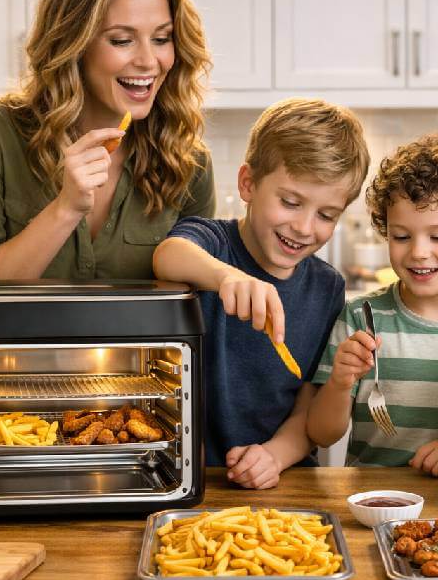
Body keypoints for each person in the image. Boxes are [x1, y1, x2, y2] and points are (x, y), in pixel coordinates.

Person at [0, 0, 215, 281]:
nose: (148, 61)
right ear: (74, 44)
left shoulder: (188, 163)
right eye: (121, 40)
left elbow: (194, 300)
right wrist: (65, 209)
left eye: (161, 38)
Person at [152, 97, 371, 489]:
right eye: (290, 202)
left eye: (326, 215)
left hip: (283, 477)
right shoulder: (213, 243)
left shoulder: (327, 288)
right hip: (194, 477)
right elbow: (168, 255)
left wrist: (274, 456)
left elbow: (308, 407)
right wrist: (226, 277)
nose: (304, 227)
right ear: (248, 184)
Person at [307, 135, 438, 479]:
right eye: (401, 236)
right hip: (371, 499)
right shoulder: (361, 318)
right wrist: (340, 382)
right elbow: (321, 434)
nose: (418, 252)